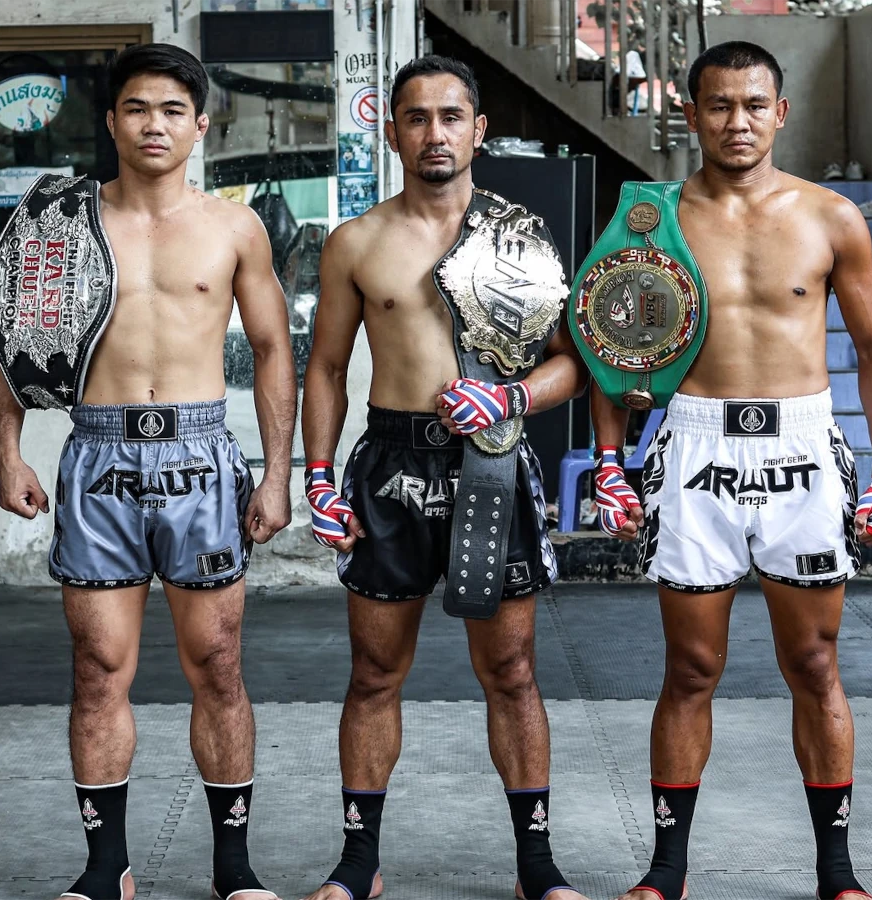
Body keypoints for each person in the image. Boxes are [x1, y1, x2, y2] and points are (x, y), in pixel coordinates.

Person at [588, 41, 872, 900]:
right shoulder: (652, 217)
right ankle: (666, 872)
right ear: (690, 113)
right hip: (694, 444)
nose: (738, 122)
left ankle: (838, 874)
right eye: (719, 105)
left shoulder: (831, 216)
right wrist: (611, 461)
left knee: (817, 663)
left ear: (780, 112)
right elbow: (607, 341)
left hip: (801, 443)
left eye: (754, 104)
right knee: (689, 670)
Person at [0, 43, 296, 900]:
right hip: (98, 454)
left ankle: (234, 871)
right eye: (136, 108)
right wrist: (8, 450)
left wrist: (276, 475)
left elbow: (274, 351)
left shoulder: (235, 226)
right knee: (97, 665)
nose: (153, 124)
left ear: (201, 125)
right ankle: (105, 871)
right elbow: (9, 342)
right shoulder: (60, 221)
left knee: (219, 662)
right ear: (111, 120)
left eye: (171, 110)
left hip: (202, 455)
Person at [300, 55, 590, 900]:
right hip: (391, 464)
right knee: (372, 674)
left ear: (478, 130)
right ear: (391, 130)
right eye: (417, 117)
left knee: (512, 673)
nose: (435, 133)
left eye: (452, 116)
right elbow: (323, 368)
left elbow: (573, 364)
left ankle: (538, 868)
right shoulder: (356, 240)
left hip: (491, 460)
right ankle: (360, 865)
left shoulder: (522, 233)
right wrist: (318, 479)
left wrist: (512, 393)